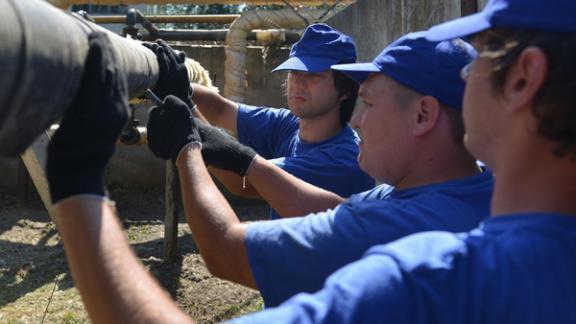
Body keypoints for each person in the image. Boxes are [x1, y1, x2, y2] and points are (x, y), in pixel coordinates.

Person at [147, 31, 493, 307]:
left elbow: (225, 251)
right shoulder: (478, 184)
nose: (357, 121)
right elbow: (335, 209)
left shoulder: (394, 226)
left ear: (423, 115)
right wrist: (190, 104)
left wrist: (188, 149)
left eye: (369, 104)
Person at [145, 23, 374, 219]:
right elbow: (219, 107)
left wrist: (188, 121)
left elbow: (240, 181)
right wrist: (172, 79)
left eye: (313, 75)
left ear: (345, 90)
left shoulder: (343, 162)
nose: (298, 83)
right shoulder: (290, 124)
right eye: (295, 72)